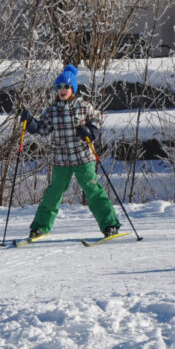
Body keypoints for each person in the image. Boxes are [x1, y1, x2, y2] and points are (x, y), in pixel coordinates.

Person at [19, 63, 121, 242]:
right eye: (59, 87)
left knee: (93, 191)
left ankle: (110, 225)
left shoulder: (83, 106)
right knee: (53, 194)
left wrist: (90, 131)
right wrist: (30, 122)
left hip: (83, 157)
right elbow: (42, 129)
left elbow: (97, 120)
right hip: (61, 160)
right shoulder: (52, 111)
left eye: (66, 86)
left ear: (72, 88)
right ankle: (40, 228)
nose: (62, 90)